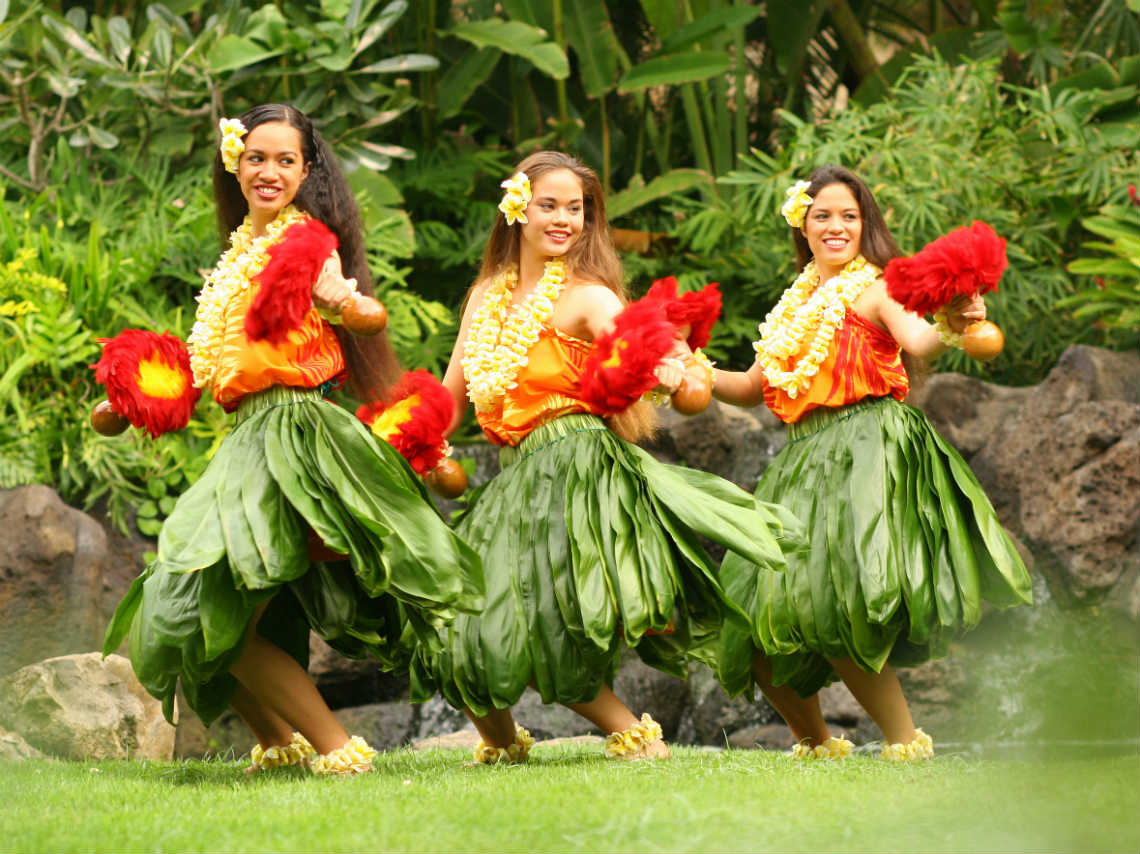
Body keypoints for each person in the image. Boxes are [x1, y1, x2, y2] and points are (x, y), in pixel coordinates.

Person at [101, 104, 482, 775]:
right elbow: (211, 358)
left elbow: (352, 309)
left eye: (285, 160)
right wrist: (132, 396)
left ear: (307, 171)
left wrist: (345, 301)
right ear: (235, 164)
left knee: (219, 607)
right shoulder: (237, 257)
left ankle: (339, 749)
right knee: (202, 607)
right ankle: (280, 742)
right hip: (251, 438)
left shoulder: (308, 243)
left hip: (296, 435)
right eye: (256, 157)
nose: (269, 171)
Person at [408, 150, 802, 763]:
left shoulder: (590, 298)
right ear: (517, 208)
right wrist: (413, 437)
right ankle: (505, 747)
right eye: (549, 205)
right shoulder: (486, 294)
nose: (564, 219)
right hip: (515, 478)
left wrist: (670, 366)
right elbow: (452, 394)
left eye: (577, 208)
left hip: (577, 470)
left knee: (545, 620)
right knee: (460, 626)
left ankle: (633, 734)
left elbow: (640, 351)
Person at [709, 164, 1033, 760]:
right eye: (822, 216)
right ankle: (818, 745)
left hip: (867, 451)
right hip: (804, 458)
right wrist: (691, 369)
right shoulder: (793, 304)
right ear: (801, 225)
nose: (835, 226)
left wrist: (959, 318)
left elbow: (919, 342)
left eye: (849, 216)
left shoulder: (877, 287)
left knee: (836, 602)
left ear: (866, 225)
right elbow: (753, 387)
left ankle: (906, 742)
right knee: (753, 617)